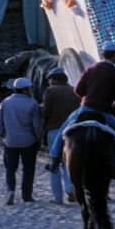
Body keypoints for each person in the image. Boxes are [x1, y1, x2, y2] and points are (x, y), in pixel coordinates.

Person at [48, 42, 115, 180]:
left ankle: (54, 160)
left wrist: (87, 98)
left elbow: (78, 90)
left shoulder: (91, 69)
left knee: (63, 129)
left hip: (85, 108)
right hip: (103, 112)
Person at [0, 77, 42, 205]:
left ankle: (10, 190)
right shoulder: (32, 103)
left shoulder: (5, 102)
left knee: (10, 168)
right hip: (28, 141)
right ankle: (27, 195)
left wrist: (0, 134)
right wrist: (39, 138)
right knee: (28, 169)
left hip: (10, 141)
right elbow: (36, 125)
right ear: (26, 89)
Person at [41, 68, 80, 204]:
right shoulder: (74, 90)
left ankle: (58, 197)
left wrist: (42, 128)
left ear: (54, 79)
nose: (49, 82)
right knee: (69, 161)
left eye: (50, 79)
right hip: (73, 131)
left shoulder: (50, 91)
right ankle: (70, 188)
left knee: (54, 163)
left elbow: (46, 112)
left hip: (54, 130)